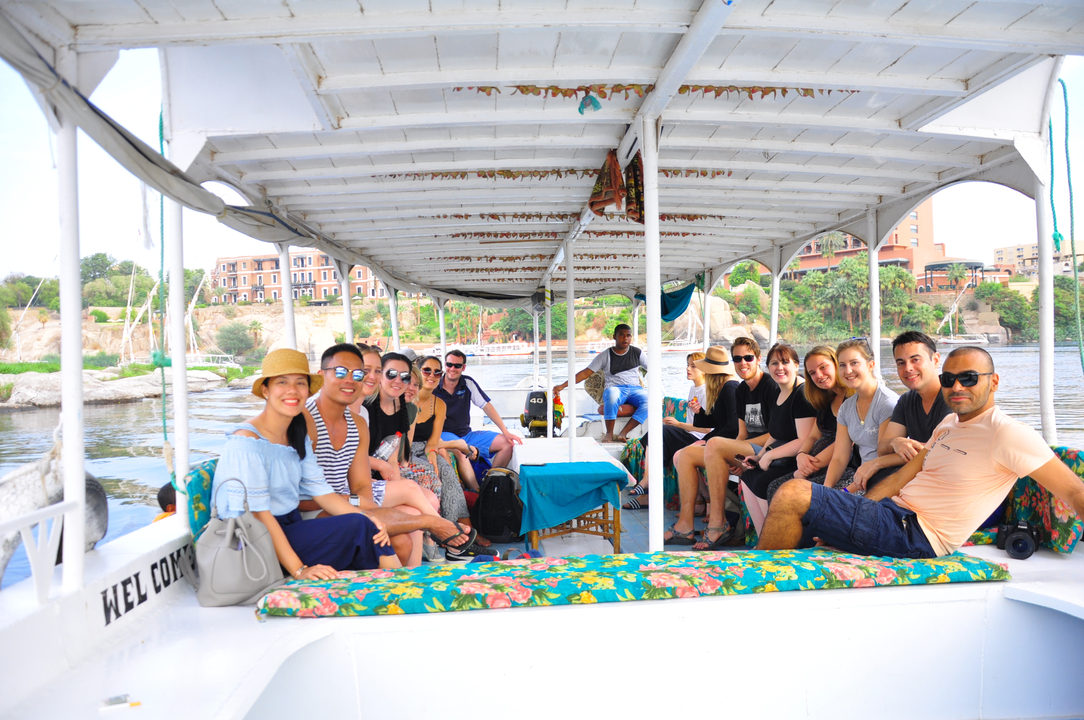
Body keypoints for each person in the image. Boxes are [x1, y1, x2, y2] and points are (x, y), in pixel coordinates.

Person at [758, 347, 1084, 558]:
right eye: (949, 379)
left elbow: (1073, 489)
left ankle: (760, 581)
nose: (957, 387)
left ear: (994, 381)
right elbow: (903, 474)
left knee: (792, 494)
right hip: (891, 514)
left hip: (918, 535)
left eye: (969, 378)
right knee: (804, 519)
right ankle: (779, 580)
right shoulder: (948, 423)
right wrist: (857, 509)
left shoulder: (1008, 433)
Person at [211, 349, 400, 579]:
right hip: (251, 539)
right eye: (282, 382)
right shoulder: (248, 442)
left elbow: (323, 493)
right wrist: (300, 570)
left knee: (365, 525)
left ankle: (397, 590)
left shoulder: (297, 436)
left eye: (300, 383)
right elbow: (261, 515)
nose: (292, 391)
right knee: (361, 529)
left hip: (289, 526)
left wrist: (366, 516)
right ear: (265, 390)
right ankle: (403, 590)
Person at [304, 344, 477, 566]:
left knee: (411, 518)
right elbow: (307, 497)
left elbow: (362, 484)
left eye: (363, 373)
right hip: (321, 509)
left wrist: (383, 511)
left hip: (349, 498)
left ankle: (415, 580)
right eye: (341, 372)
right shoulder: (306, 420)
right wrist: (368, 508)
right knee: (412, 507)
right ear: (321, 376)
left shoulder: (358, 421)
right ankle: (438, 526)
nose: (358, 379)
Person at [664, 337, 777, 546]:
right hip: (744, 447)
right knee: (686, 454)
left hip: (766, 449)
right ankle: (684, 525)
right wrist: (734, 454)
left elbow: (775, 433)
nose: (743, 363)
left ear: (758, 359)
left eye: (748, 357)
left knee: (714, 444)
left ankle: (718, 522)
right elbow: (740, 432)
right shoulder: (742, 389)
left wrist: (723, 447)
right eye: (737, 358)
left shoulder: (768, 386)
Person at [626, 348, 740, 510]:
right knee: (670, 446)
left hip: (720, 442)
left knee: (663, 435)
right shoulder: (719, 388)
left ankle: (702, 502)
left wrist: (703, 440)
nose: (689, 369)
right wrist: (699, 412)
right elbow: (715, 420)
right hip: (709, 438)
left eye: (695, 366)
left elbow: (731, 426)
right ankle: (695, 502)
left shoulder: (729, 388)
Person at [737, 344, 818, 536]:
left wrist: (770, 455)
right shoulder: (778, 392)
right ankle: (762, 539)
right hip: (781, 457)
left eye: (785, 362)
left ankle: (775, 540)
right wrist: (760, 456)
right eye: (774, 363)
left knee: (763, 482)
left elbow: (805, 440)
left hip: (800, 458)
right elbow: (775, 433)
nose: (779, 368)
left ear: (796, 365)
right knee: (748, 476)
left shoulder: (802, 394)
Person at [865, 331, 952, 491]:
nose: (908, 368)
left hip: (946, 477)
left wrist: (877, 463)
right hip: (920, 472)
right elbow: (882, 447)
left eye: (915, 360)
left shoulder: (951, 396)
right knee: (876, 479)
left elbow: (939, 448)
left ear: (936, 360)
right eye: (901, 363)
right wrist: (895, 442)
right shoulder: (906, 400)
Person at [764, 346, 854, 502]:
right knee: (774, 487)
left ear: (837, 364)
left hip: (844, 467)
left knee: (788, 495)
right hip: (816, 465)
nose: (819, 375)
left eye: (823, 367)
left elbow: (844, 444)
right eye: (812, 373)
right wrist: (801, 455)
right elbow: (813, 436)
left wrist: (807, 469)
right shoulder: (826, 400)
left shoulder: (852, 399)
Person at [407, 358, 479, 543]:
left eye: (437, 372)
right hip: (403, 450)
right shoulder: (407, 398)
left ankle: (467, 529)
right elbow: (401, 442)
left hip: (426, 447)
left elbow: (432, 442)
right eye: (427, 370)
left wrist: (432, 453)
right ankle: (441, 532)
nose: (432, 375)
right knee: (431, 473)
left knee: (447, 473)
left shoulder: (438, 404)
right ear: (417, 372)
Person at [816, 338, 899, 496]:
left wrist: (845, 492)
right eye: (842, 365)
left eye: (854, 363)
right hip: (860, 479)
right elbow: (840, 457)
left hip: (883, 481)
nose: (847, 371)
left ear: (870, 365)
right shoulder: (846, 408)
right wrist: (826, 491)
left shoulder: (887, 403)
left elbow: (884, 459)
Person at [552, 324, 648, 443]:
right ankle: (609, 433)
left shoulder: (637, 353)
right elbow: (585, 373)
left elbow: (653, 367)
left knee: (650, 401)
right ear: (615, 337)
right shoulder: (605, 355)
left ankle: (624, 432)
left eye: (628, 336)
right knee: (612, 395)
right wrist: (562, 386)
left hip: (635, 389)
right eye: (621, 335)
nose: (625, 338)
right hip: (615, 388)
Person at [435, 348, 524, 469]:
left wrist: (506, 432)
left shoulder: (467, 383)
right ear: (445, 365)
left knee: (507, 444)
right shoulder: (434, 385)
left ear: (463, 368)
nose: (452, 369)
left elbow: (487, 407)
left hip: (466, 435)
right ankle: (473, 487)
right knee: (461, 449)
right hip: (443, 435)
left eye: (457, 366)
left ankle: (490, 481)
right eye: (449, 364)